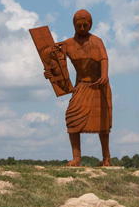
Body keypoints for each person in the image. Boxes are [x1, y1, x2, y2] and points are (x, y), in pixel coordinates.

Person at [46, 10, 112, 166]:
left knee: (102, 124)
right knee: (71, 118)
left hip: (98, 85)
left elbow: (104, 58)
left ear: (90, 25)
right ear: (74, 25)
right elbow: (55, 62)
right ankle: (76, 158)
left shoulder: (97, 41)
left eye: (85, 25)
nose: (82, 28)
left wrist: (104, 75)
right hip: (81, 85)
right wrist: (50, 72)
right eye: (79, 25)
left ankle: (106, 159)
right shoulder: (68, 44)